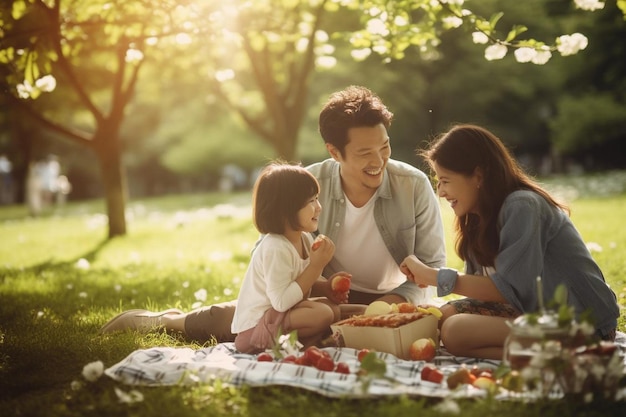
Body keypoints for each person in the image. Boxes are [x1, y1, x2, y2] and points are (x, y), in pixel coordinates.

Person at [100, 85, 447, 343]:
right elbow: (269, 253)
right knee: (238, 321)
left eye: (384, 147)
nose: (379, 161)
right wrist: (307, 285)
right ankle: (162, 322)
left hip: (392, 298)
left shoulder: (413, 185)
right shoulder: (307, 185)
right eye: (365, 153)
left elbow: (432, 264)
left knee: (403, 325)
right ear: (334, 151)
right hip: (313, 294)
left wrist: (390, 304)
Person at [400, 124, 620, 360]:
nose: (440, 192)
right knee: (443, 316)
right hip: (534, 311)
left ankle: (560, 358)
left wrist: (433, 276)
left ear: (478, 176)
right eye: (438, 182)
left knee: (455, 330)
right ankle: (542, 356)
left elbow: (512, 289)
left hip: (583, 325)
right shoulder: (476, 219)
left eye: (445, 181)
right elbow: (490, 294)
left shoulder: (522, 205)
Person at [231, 162, 344, 353]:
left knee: (333, 309)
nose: (319, 207)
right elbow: (281, 301)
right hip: (254, 331)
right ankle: (308, 345)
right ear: (285, 210)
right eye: (311, 202)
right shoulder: (275, 247)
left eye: (317, 199)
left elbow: (295, 282)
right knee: (322, 314)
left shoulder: (305, 239)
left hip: (279, 317)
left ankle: (309, 343)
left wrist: (324, 287)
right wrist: (316, 266)